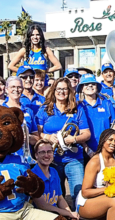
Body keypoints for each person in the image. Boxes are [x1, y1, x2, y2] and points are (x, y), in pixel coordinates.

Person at [38, 77, 91, 205]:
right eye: (59, 88)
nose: (61, 92)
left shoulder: (77, 109)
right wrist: (48, 137)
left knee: (79, 195)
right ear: (54, 90)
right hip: (52, 160)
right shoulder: (44, 110)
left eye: (65, 89)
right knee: (54, 197)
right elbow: (37, 133)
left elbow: (87, 133)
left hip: (74, 159)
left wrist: (74, 138)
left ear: (69, 91)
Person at [76, 74, 115, 159]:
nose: (90, 85)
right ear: (82, 88)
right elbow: (78, 131)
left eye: (93, 84)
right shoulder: (78, 106)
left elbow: (114, 129)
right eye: (86, 84)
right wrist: (87, 150)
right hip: (84, 153)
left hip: (106, 151)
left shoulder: (107, 104)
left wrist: (110, 148)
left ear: (97, 87)